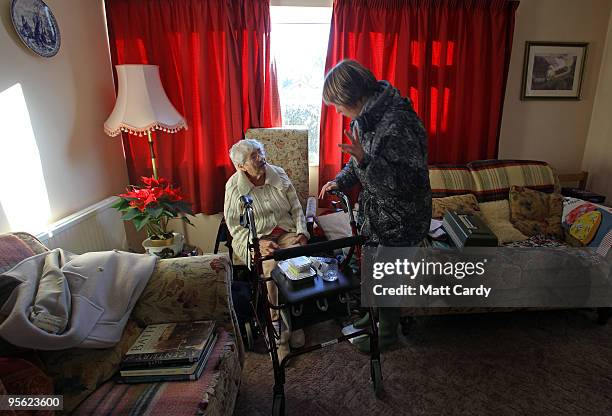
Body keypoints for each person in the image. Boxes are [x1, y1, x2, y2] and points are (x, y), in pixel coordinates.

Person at [318, 59, 432, 352]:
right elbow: (355, 160)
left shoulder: (399, 122)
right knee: (373, 268)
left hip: (403, 215)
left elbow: (403, 183)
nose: (337, 111)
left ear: (353, 97)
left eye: (337, 105)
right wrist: (341, 181)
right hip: (377, 212)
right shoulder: (365, 117)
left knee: (388, 274)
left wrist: (365, 161)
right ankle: (373, 321)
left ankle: (388, 334)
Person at [224, 139, 309, 360]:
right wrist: (256, 242)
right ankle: (279, 334)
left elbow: (297, 208)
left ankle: (296, 318)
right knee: (272, 270)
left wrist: (301, 232)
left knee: (296, 262)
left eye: (260, 152)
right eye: (253, 156)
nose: (261, 158)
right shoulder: (234, 187)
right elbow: (234, 228)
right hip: (257, 238)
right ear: (241, 166)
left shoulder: (278, 174)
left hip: (286, 231)